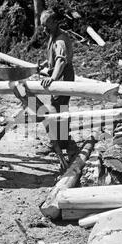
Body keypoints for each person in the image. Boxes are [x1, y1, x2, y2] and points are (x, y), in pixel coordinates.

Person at [38, 9, 78, 162]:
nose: (44, 29)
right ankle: (61, 141)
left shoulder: (60, 39)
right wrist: (43, 65)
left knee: (57, 108)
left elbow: (61, 60)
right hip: (59, 74)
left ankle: (60, 142)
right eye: (42, 26)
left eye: (47, 25)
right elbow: (54, 58)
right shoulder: (53, 37)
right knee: (58, 106)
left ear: (55, 23)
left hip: (63, 75)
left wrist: (53, 78)